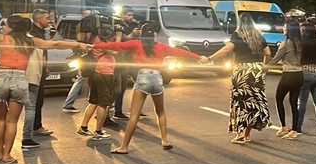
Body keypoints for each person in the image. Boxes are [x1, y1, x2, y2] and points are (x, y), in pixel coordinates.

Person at [0, 15, 89, 164]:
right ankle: (7, 155)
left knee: (1, 119)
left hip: (2, 77)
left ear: (13, 27)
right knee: (12, 121)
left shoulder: (2, 39)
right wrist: (79, 45)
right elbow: (55, 44)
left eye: (7, 25)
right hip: (20, 78)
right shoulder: (30, 41)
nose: (5, 27)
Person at [86, 23, 207, 154]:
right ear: (154, 35)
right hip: (157, 79)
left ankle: (124, 147)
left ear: (142, 34)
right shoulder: (162, 47)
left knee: (134, 115)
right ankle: (165, 140)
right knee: (160, 112)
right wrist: (198, 57)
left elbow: (117, 46)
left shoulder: (136, 44)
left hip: (143, 78)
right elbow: (180, 52)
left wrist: (94, 46)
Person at [204, 14, 271, 144]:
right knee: (253, 103)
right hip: (256, 71)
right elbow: (267, 53)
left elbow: (226, 50)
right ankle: (247, 134)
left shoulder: (237, 35)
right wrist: (264, 66)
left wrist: (210, 58)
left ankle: (240, 134)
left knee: (240, 102)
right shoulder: (258, 36)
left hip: (241, 71)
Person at [268, 20, 305, 139]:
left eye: (285, 27)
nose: (283, 29)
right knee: (294, 102)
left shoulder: (286, 43)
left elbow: (274, 60)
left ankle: (283, 126)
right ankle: (295, 129)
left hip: (289, 74)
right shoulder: (300, 43)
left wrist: (262, 70)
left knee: (279, 99)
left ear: (288, 29)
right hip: (299, 74)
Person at [112, 9, 141, 120]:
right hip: (123, 59)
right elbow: (123, 39)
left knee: (140, 82)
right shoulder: (119, 26)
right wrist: (132, 34)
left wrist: (139, 32)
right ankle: (117, 110)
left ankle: (136, 108)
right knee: (121, 87)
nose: (131, 17)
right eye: (128, 15)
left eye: (132, 15)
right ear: (123, 15)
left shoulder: (134, 24)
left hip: (133, 58)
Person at [62, 9, 93, 112]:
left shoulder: (86, 27)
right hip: (85, 57)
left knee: (86, 80)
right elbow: (80, 43)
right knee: (81, 79)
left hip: (86, 57)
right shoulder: (82, 27)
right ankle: (68, 104)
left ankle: (92, 101)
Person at [29, 9, 53, 136]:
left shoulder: (40, 32)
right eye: (47, 18)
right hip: (35, 70)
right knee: (35, 101)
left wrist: (45, 67)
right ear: (39, 19)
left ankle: (35, 126)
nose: (49, 21)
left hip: (40, 68)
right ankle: (34, 128)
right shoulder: (33, 33)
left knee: (39, 99)